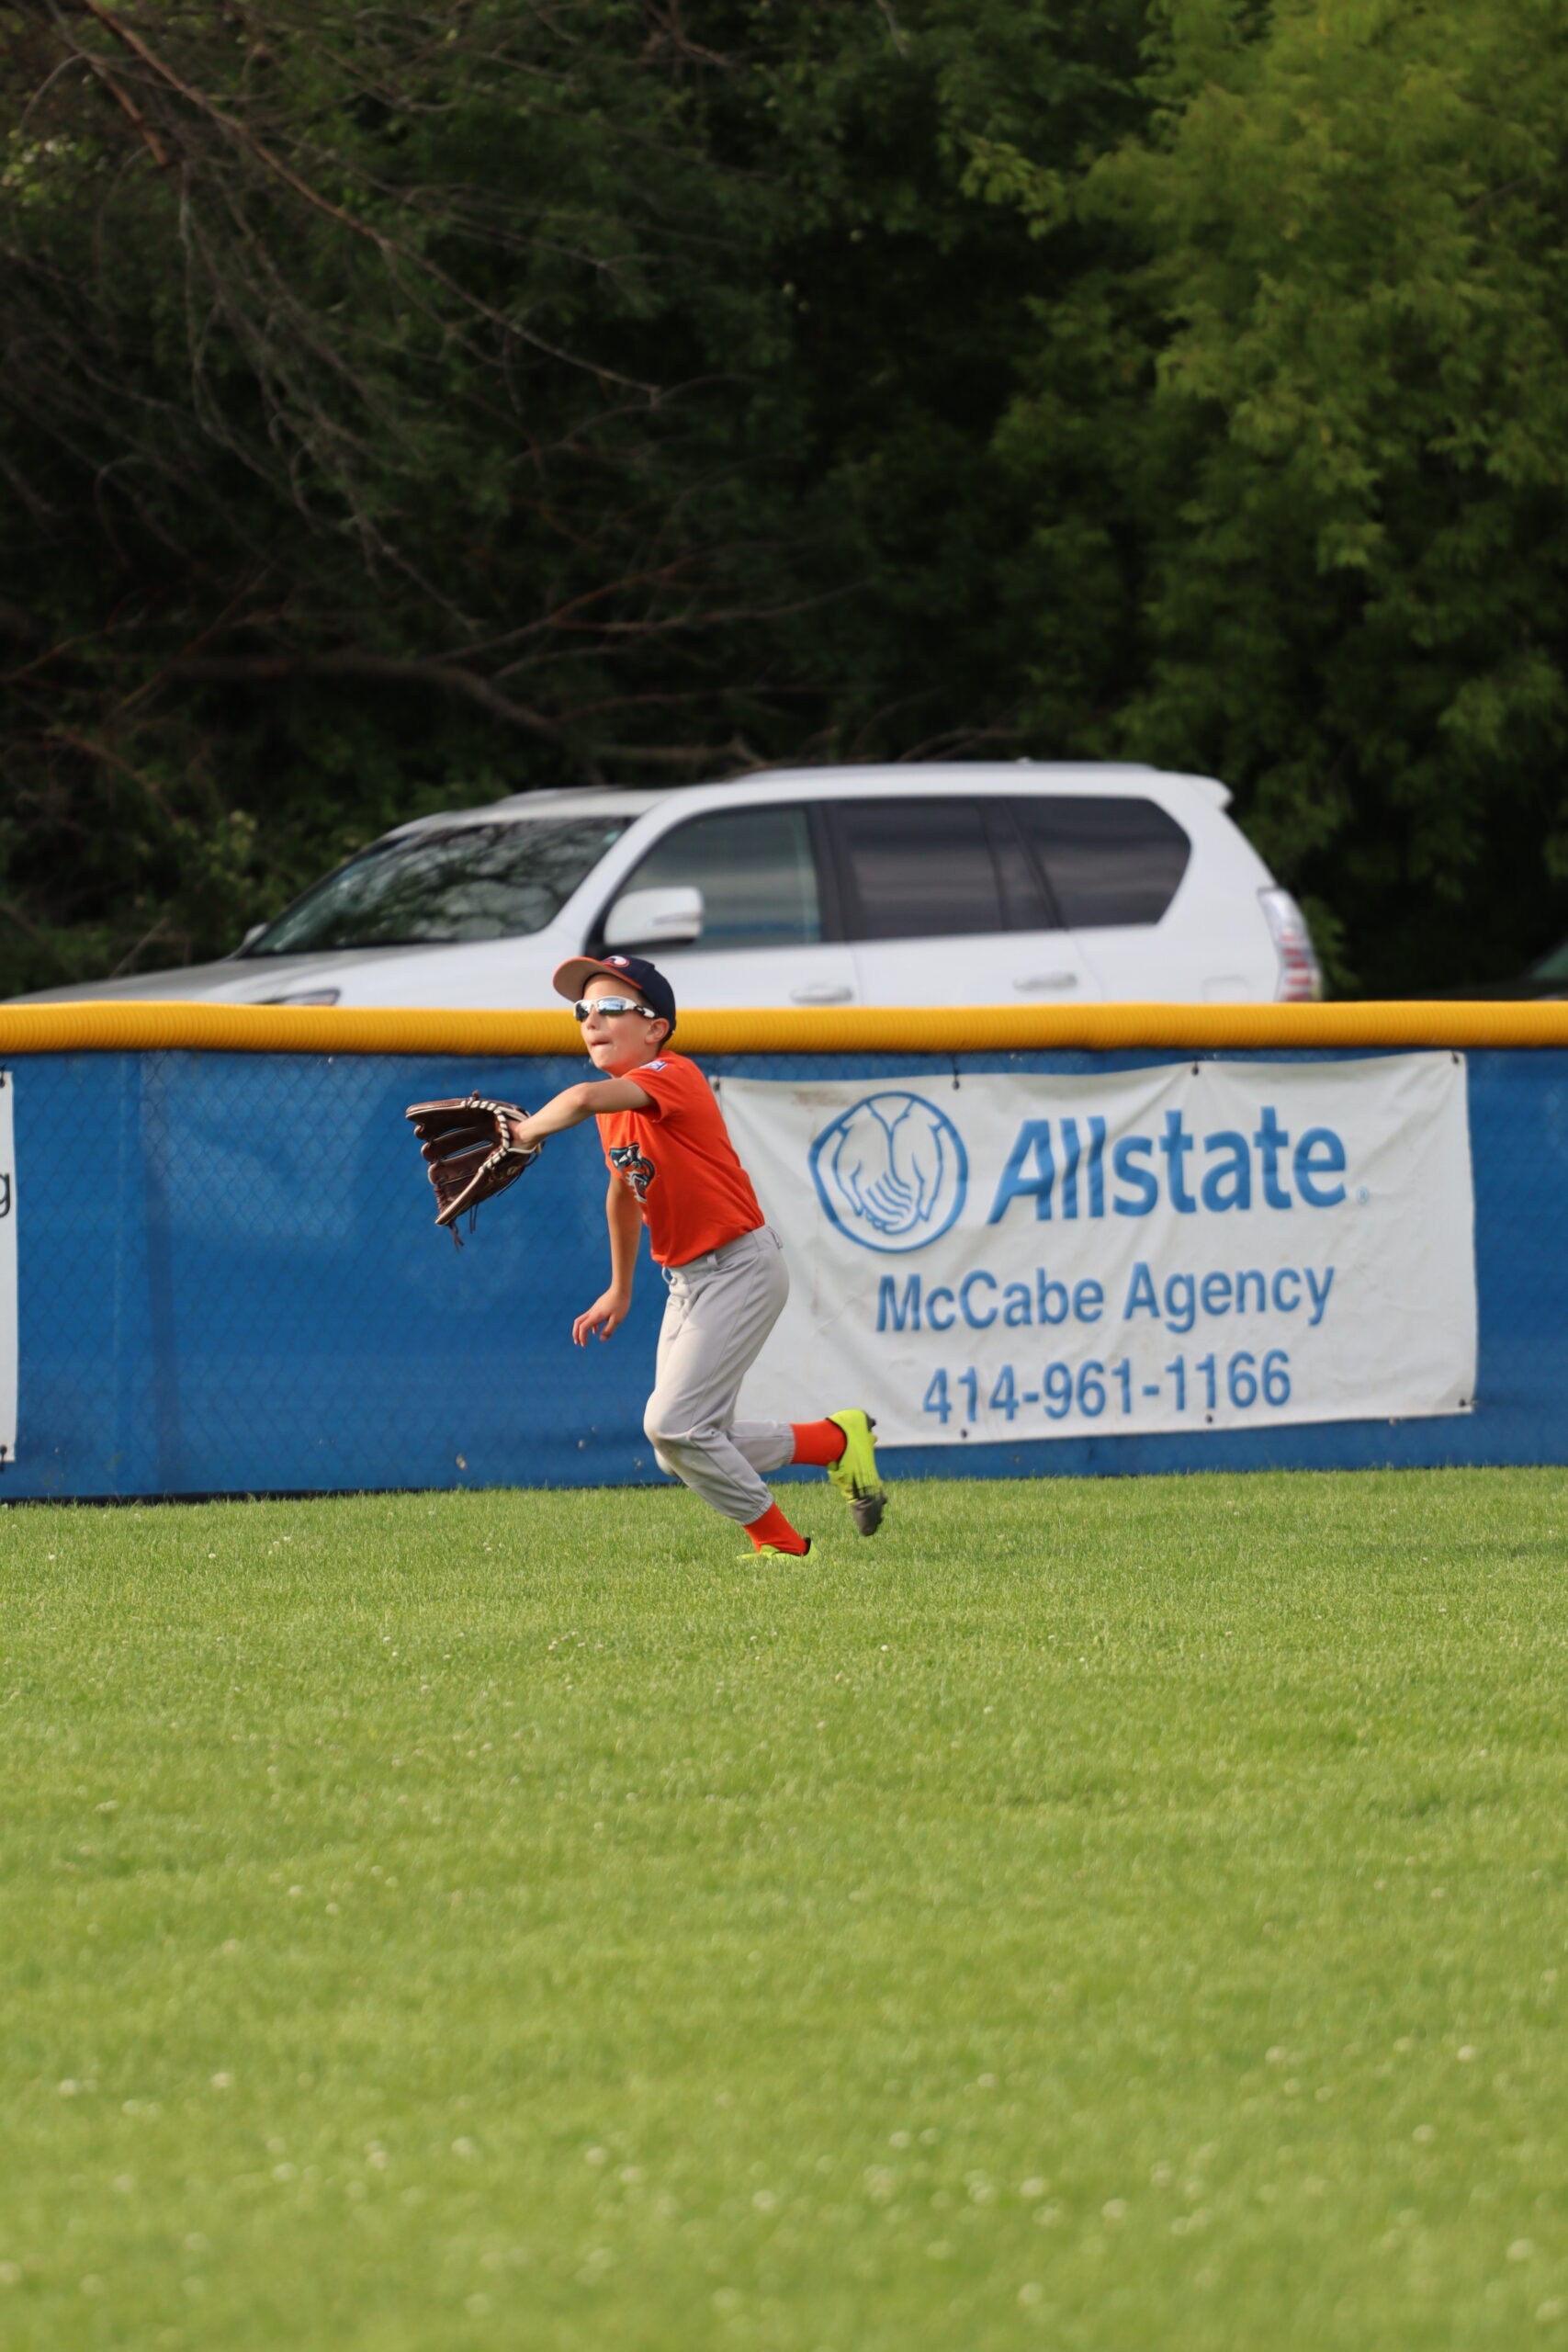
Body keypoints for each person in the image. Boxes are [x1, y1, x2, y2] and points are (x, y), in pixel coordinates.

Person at [503, 952, 886, 1559]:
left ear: (655, 1027)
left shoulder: (672, 1074)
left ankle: (783, 1547)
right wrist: (620, 1286)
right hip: (687, 1280)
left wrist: (524, 1134)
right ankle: (835, 1442)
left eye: (611, 1007)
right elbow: (622, 1193)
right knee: (681, 1443)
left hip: (739, 1267)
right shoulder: (615, 1111)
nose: (591, 1020)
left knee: (675, 1426)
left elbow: (579, 1097)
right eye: (582, 1010)